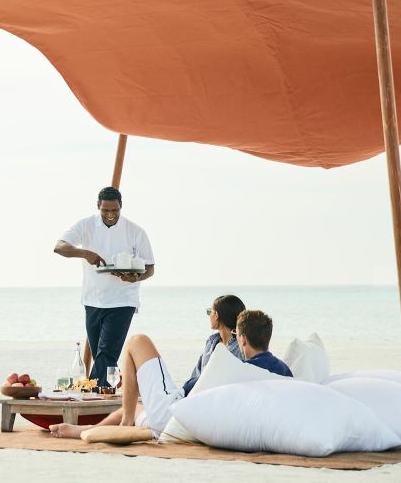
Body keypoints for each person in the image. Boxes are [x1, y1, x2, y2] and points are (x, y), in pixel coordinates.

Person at [50, 308, 292, 439]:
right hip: (181, 415)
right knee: (131, 408)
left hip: (176, 413)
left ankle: (124, 426)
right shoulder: (283, 372)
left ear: (242, 339)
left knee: (137, 341)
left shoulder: (234, 366)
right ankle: (87, 429)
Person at [54, 186, 154, 387]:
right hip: (92, 300)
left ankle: (87, 390)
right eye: (105, 210)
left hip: (123, 300)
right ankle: (110, 391)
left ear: (121, 207)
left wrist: (134, 278)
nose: (110, 215)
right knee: (105, 356)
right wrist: (85, 253)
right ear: (98, 207)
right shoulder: (86, 225)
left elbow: (150, 268)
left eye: (114, 210)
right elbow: (59, 247)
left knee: (107, 350)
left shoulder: (135, 231)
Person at [181, 294, 247, 396]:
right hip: (199, 397)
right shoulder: (211, 341)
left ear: (216, 315)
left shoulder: (241, 348)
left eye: (209, 312)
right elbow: (197, 374)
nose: (209, 316)